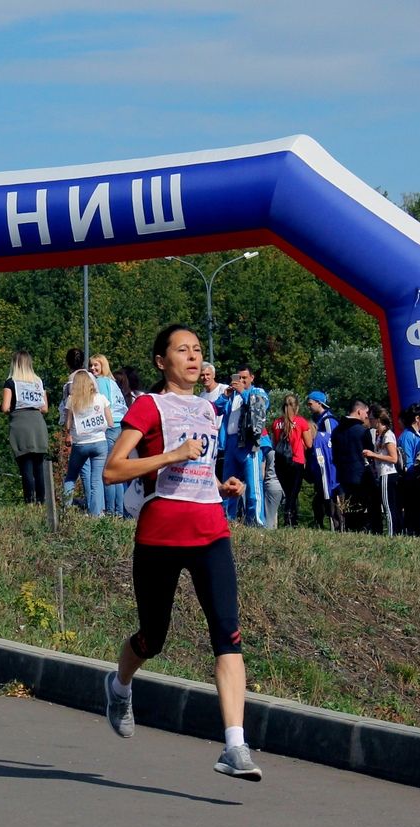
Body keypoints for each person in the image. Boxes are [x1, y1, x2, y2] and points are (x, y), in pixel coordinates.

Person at [102, 323, 259, 781]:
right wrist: (170, 456)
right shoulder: (150, 407)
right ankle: (119, 686)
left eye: (197, 351)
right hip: (160, 535)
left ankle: (235, 746)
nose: (193, 357)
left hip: (211, 529)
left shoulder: (210, 410)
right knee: (153, 638)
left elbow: (199, 470)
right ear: (161, 362)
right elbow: (113, 470)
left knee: (228, 635)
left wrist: (219, 485)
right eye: (182, 350)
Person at [215, 365, 269, 526]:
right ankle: (227, 520)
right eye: (239, 378)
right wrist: (225, 396)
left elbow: (260, 406)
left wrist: (242, 392)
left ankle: (256, 522)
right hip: (230, 444)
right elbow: (216, 409)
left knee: (253, 486)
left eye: (245, 378)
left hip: (248, 443)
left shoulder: (257, 392)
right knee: (228, 484)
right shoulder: (231, 396)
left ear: (252, 378)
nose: (241, 381)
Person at [0, 350, 49, 504]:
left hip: (20, 423)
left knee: (26, 466)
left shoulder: (11, 382)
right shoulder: (38, 382)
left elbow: (5, 407)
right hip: (37, 422)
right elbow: (45, 408)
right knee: (39, 466)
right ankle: (42, 501)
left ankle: (29, 501)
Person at [62, 369, 111, 516]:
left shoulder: (72, 400)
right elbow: (110, 421)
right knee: (96, 480)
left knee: (71, 477)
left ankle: (66, 511)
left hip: (80, 444)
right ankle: (95, 514)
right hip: (99, 443)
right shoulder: (101, 398)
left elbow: (68, 425)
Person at [270, 393, 315, 528]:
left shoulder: (276, 423)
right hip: (296, 461)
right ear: (297, 407)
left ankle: (292, 520)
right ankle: (289, 516)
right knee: (293, 493)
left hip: (280, 462)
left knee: (288, 492)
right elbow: (309, 444)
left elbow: (274, 443)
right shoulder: (301, 422)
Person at [92, 354, 128, 516]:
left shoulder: (100, 382)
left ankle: (111, 511)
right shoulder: (113, 383)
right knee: (117, 473)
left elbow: (102, 407)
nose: (92, 369)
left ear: (103, 366)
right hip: (121, 426)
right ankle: (119, 512)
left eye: (96, 365)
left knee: (107, 472)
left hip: (110, 427)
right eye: (91, 366)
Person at [332, 399, 374, 532]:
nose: (367, 416)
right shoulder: (361, 431)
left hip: (343, 475)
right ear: (359, 411)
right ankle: (363, 530)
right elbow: (370, 452)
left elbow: (335, 454)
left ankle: (351, 530)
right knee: (362, 508)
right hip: (360, 475)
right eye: (366, 413)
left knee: (349, 508)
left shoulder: (337, 431)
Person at [305, 391, 341, 530]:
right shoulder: (318, 419)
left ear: (319, 403)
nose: (309, 407)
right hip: (321, 467)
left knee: (329, 498)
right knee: (319, 499)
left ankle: (335, 524)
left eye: (310, 403)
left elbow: (330, 445)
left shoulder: (328, 421)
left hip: (329, 468)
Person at [363, 406, 400, 536]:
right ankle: (394, 533)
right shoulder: (380, 435)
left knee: (388, 507)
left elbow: (393, 458)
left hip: (387, 474)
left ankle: (392, 534)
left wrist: (373, 455)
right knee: (389, 506)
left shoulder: (388, 435)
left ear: (378, 419)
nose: (369, 420)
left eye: (371, 418)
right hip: (383, 473)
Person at [397, 405, 420, 536]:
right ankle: (412, 535)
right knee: (412, 511)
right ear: (417, 418)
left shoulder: (417, 435)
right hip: (411, 481)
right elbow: (407, 462)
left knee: (417, 511)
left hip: (418, 480)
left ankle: (417, 534)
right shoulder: (407, 436)